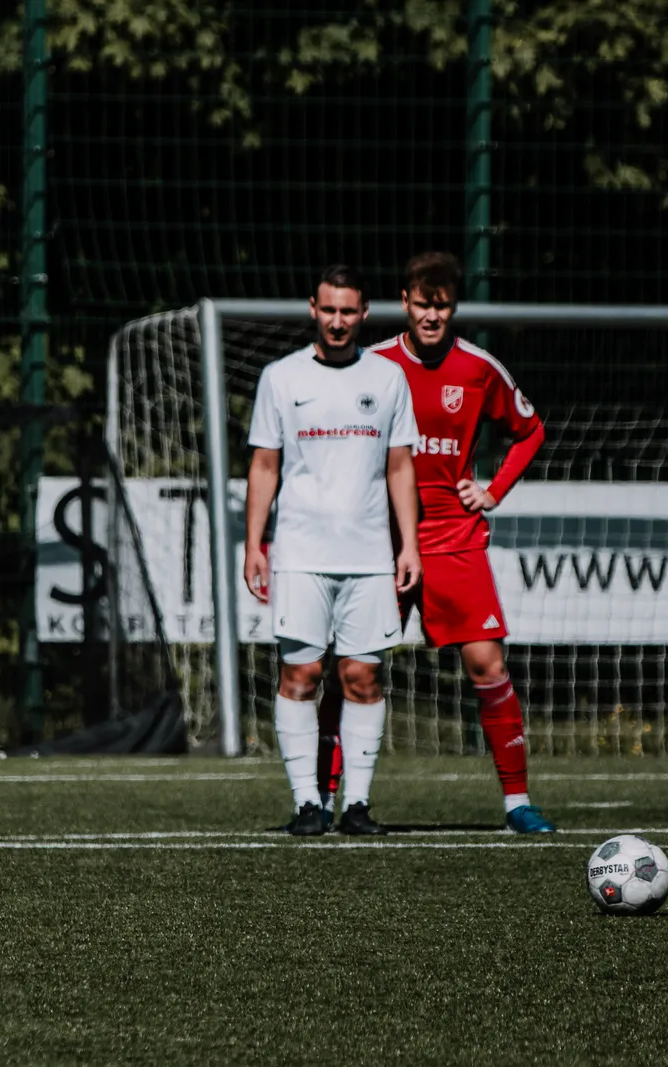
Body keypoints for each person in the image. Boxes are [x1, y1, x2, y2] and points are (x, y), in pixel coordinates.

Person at [323, 251, 553, 833]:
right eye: (423, 305)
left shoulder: (478, 367)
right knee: (354, 669)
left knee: (487, 665)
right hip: (379, 542)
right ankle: (323, 802)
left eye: (442, 306)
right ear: (405, 303)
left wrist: (493, 490)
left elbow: (530, 431)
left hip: (454, 539)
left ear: (453, 308)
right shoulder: (372, 365)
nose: (432, 316)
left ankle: (517, 803)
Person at [243, 264, 421, 837]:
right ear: (312, 310)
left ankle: (357, 805)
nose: (338, 321)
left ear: (364, 313)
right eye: (329, 310)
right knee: (300, 674)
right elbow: (264, 464)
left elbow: (400, 466)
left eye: (348, 311)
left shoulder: (388, 378)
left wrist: (408, 545)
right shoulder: (281, 377)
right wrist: (254, 543)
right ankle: (307, 804)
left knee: (363, 678)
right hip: (299, 554)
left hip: (369, 556)